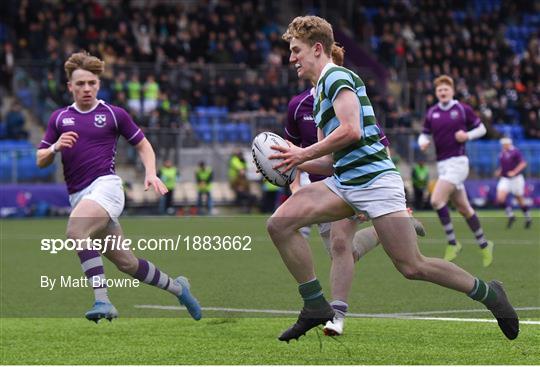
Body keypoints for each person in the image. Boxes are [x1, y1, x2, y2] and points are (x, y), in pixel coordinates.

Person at [269, 16, 518, 342]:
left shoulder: (337, 76)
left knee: (412, 266)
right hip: (343, 182)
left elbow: (351, 130)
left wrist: (301, 155)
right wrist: (293, 162)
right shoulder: (318, 97)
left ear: (317, 49)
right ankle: (316, 304)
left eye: (296, 50)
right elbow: (329, 161)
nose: (291, 58)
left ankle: (489, 293)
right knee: (279, 224)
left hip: (375, 181)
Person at [36, 52, 201, 322]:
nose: (86, 88)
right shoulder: (59, 118)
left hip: (107, 188)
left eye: (91, 82)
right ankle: (179, 288)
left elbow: (143, 145)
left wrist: (151, 172)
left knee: (76, 230)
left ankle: (102, 301)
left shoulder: (114, 114)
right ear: (70, 87)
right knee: (127, 263)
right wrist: (55, 147)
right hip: (80, 197)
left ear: (98, 84)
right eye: (80, 84)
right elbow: (40, 158)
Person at [285, 43, 426, 336]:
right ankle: (384, 229)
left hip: (354, 182)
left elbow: (377, 144)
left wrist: (375, 193)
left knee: (340, 248)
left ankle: (335, 316)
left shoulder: (343, 89)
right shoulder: (299, 105)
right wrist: (295, 184)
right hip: (323, 185)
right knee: (342, 252)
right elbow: (294, 152)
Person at [418, 75, 494, 267]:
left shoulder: (462, 108)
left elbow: (482, 129)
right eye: (439, 90)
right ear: (436, 93)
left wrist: (466, 135)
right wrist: (423, 143)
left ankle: (453, 242)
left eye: (446, 89)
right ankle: (485, 244)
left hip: (458, 163)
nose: (443, 92)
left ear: (452, 91)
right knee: (464, 208)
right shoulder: (432, 112)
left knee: (436, 200)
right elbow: (423, 135)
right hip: (443, 164)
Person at [495, 138, 531, 229]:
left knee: (519, 199)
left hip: (516, 179)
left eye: (505, 144)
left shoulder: (515, 152)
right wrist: (499, 171)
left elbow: (523, 163)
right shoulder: (502, 153)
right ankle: (511, 215)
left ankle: (528, 217)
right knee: (500, 198)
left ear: (509, 143)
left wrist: (514, 172)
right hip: (505, 179)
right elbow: (503, 166)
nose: (503, 146)